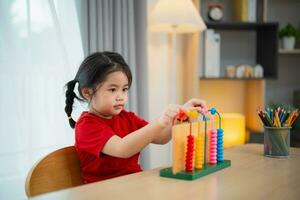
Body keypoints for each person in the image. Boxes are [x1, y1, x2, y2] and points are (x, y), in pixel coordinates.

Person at [64, 52, 206, 183]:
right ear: (87, 93)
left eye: (124, 89)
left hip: (133, 184)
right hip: (103, 192)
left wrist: (178, 119)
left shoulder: (127, 117)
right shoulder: (86, 126)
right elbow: (122, 148)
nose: (121, 97)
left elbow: (161, 137)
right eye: (113, 89)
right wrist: (160, 122)